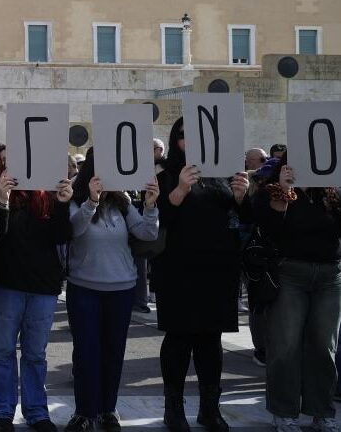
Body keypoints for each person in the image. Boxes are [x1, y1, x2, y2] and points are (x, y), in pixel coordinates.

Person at [154, 118, 250, 432]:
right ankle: (174, 409)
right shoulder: (166, 174)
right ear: (175, 140)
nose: (190, 142)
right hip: (178, 269)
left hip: (218, 268)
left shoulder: (222, 175)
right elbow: (160, 217)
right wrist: (181, 189)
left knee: (210, 340)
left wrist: (242, 197)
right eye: (184, 136)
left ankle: (210, 409)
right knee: (179, 338)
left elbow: (244, 217)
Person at [64, 147, 160, 432]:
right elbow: (74, 230)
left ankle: (108, 409)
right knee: (86, 352)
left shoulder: (123, 201)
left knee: (113, 351)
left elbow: (147, 233)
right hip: (84, 287)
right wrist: (92, 201)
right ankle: (84, 412)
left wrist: (151, 206)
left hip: (121, 288)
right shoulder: (75, 196)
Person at [252, 160, 341, 432]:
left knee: (324, 346)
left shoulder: (329, 190)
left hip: (329, 274)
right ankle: (284, 411)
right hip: (290, 272)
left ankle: (321, 411)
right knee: (285, 345)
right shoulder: (272, 190)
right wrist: (284, 191)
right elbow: (270, 229)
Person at [0, 169, 73, 432]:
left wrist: (63, 204)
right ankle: (3, 412)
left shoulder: (50, 195)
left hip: (42, 287)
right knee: (3, 352)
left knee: (35, 354)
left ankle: (36, 411)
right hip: (6, 285)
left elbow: (61, 237)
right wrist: (2, 200)